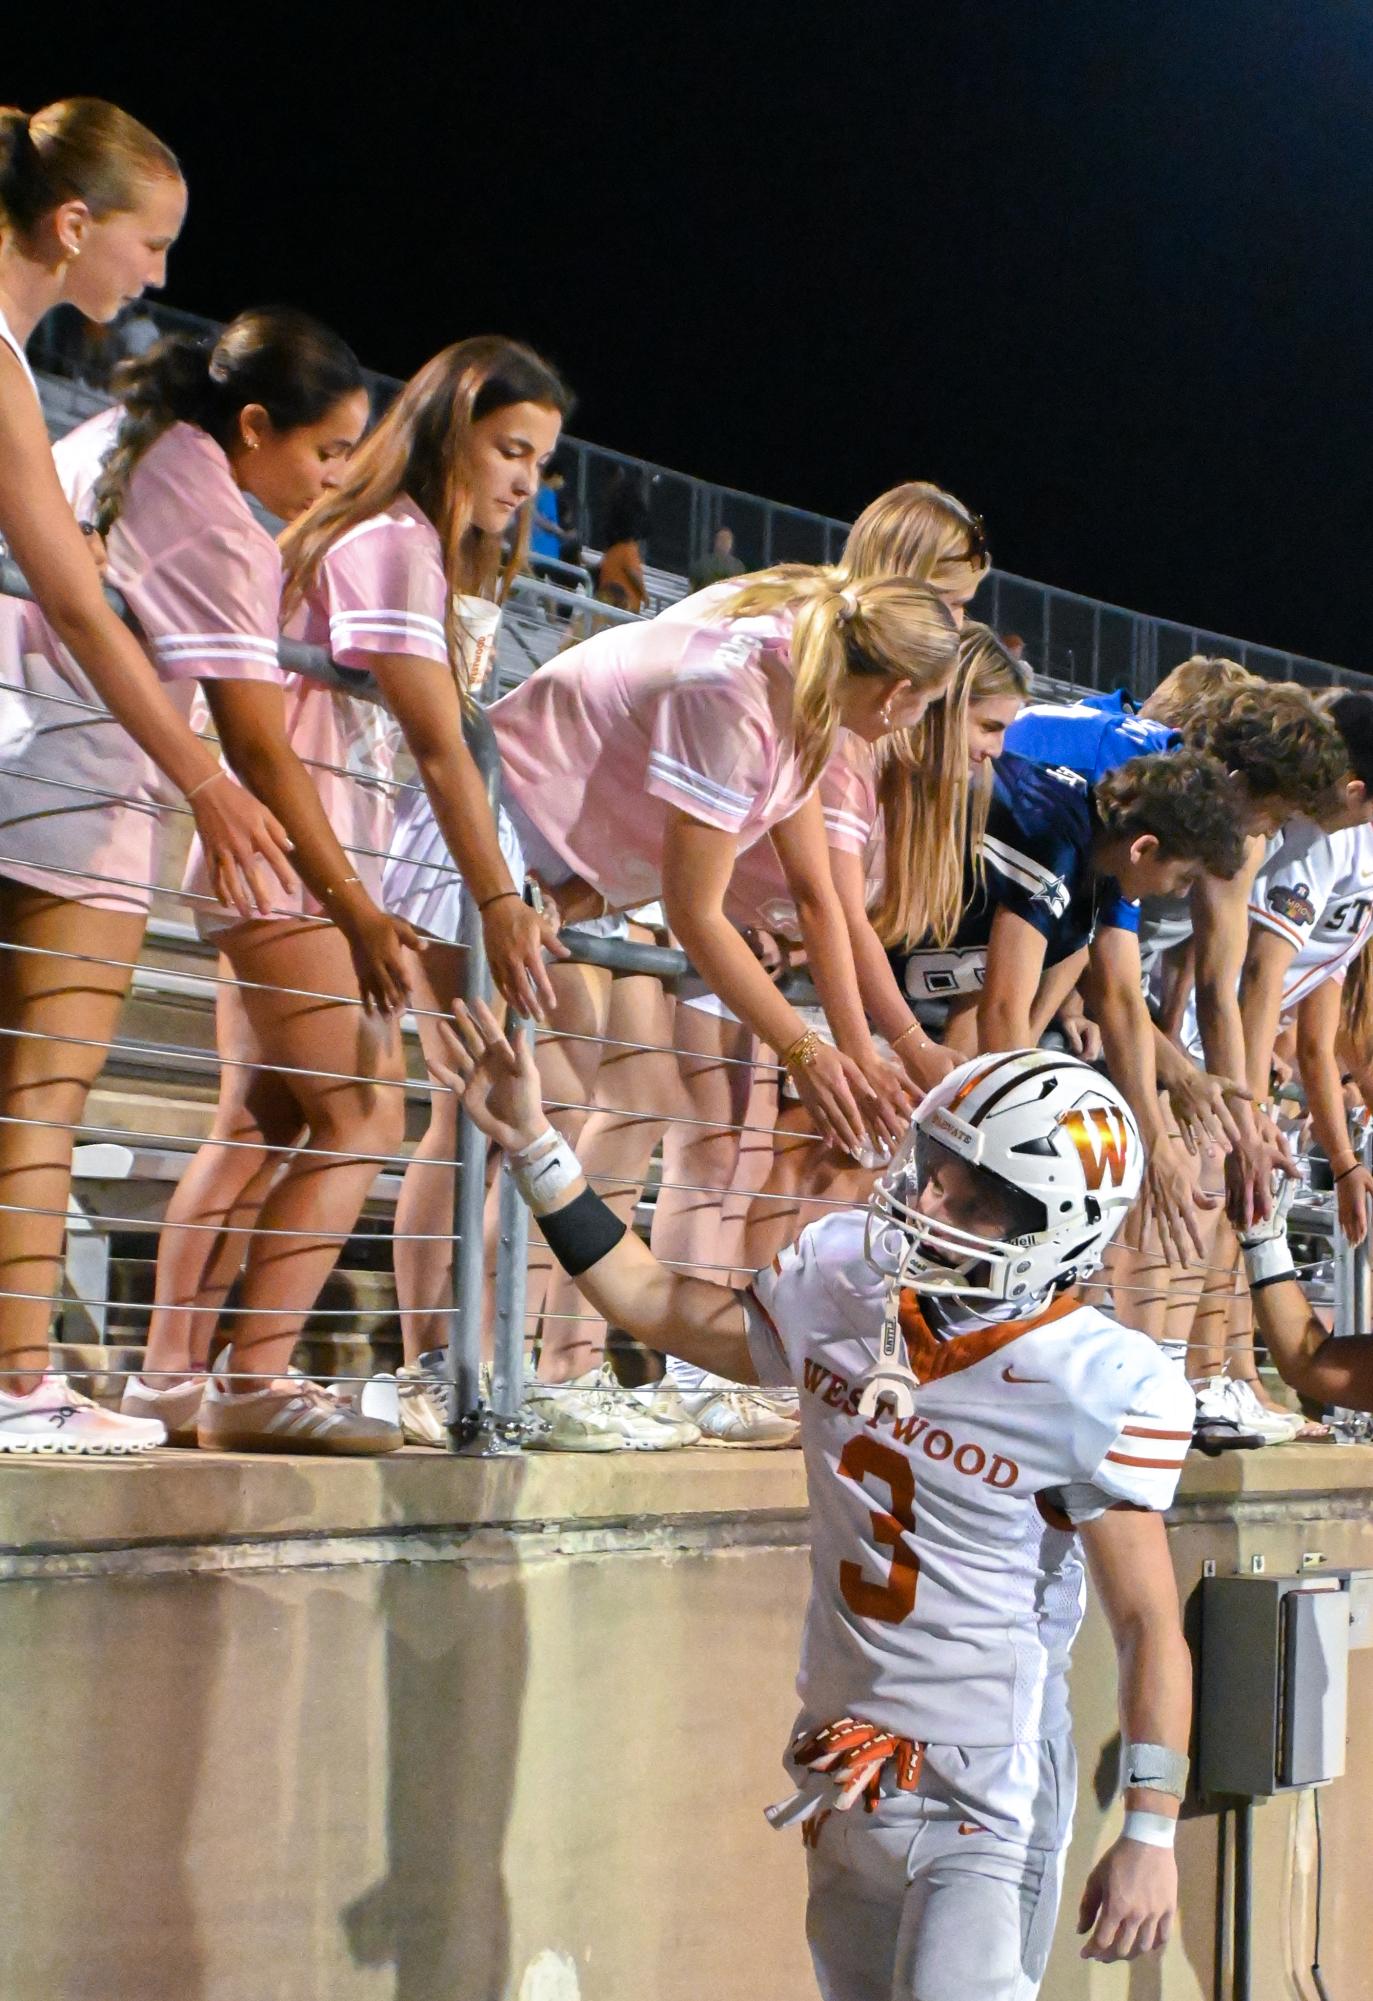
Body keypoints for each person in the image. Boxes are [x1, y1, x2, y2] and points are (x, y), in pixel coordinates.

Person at [446, 1010, 1195, 1999]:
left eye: (974, 1200)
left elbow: (1147, 1622)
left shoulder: (1092, 1380)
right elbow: (657, 1305)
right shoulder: (847, 1280)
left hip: (984, 1784)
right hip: (840, 1755)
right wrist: (540, 1151)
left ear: (1054, 1230)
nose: (929, 1198)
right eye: (935, 1166)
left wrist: (1147, 1828)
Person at [134, 336, 569, 1452]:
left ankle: (173, 1375)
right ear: (449, 430)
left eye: (539, 461)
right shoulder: (392, 540)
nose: (522, 479)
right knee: (363, 1112)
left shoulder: (400, 540)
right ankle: (253, 1383)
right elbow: (435, 743)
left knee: (262, 1117)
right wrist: (499, 894)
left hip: (297, 859)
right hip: (299, 863)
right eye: (507, 448)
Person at [0, 102, 294, 1451]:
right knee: (46, 1085)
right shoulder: (4, 363)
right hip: (58, 781)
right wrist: (209, 778)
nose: (159, 276)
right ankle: (19, 1383)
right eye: (151, 241)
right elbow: (75, 601)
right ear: (72, 228)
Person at [689, 524, 745, 593]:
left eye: (728, 539)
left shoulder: (738, 566)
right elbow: (692, 590)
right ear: (715, 541)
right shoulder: (702, 565)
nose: (725, 542)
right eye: (722, 539)